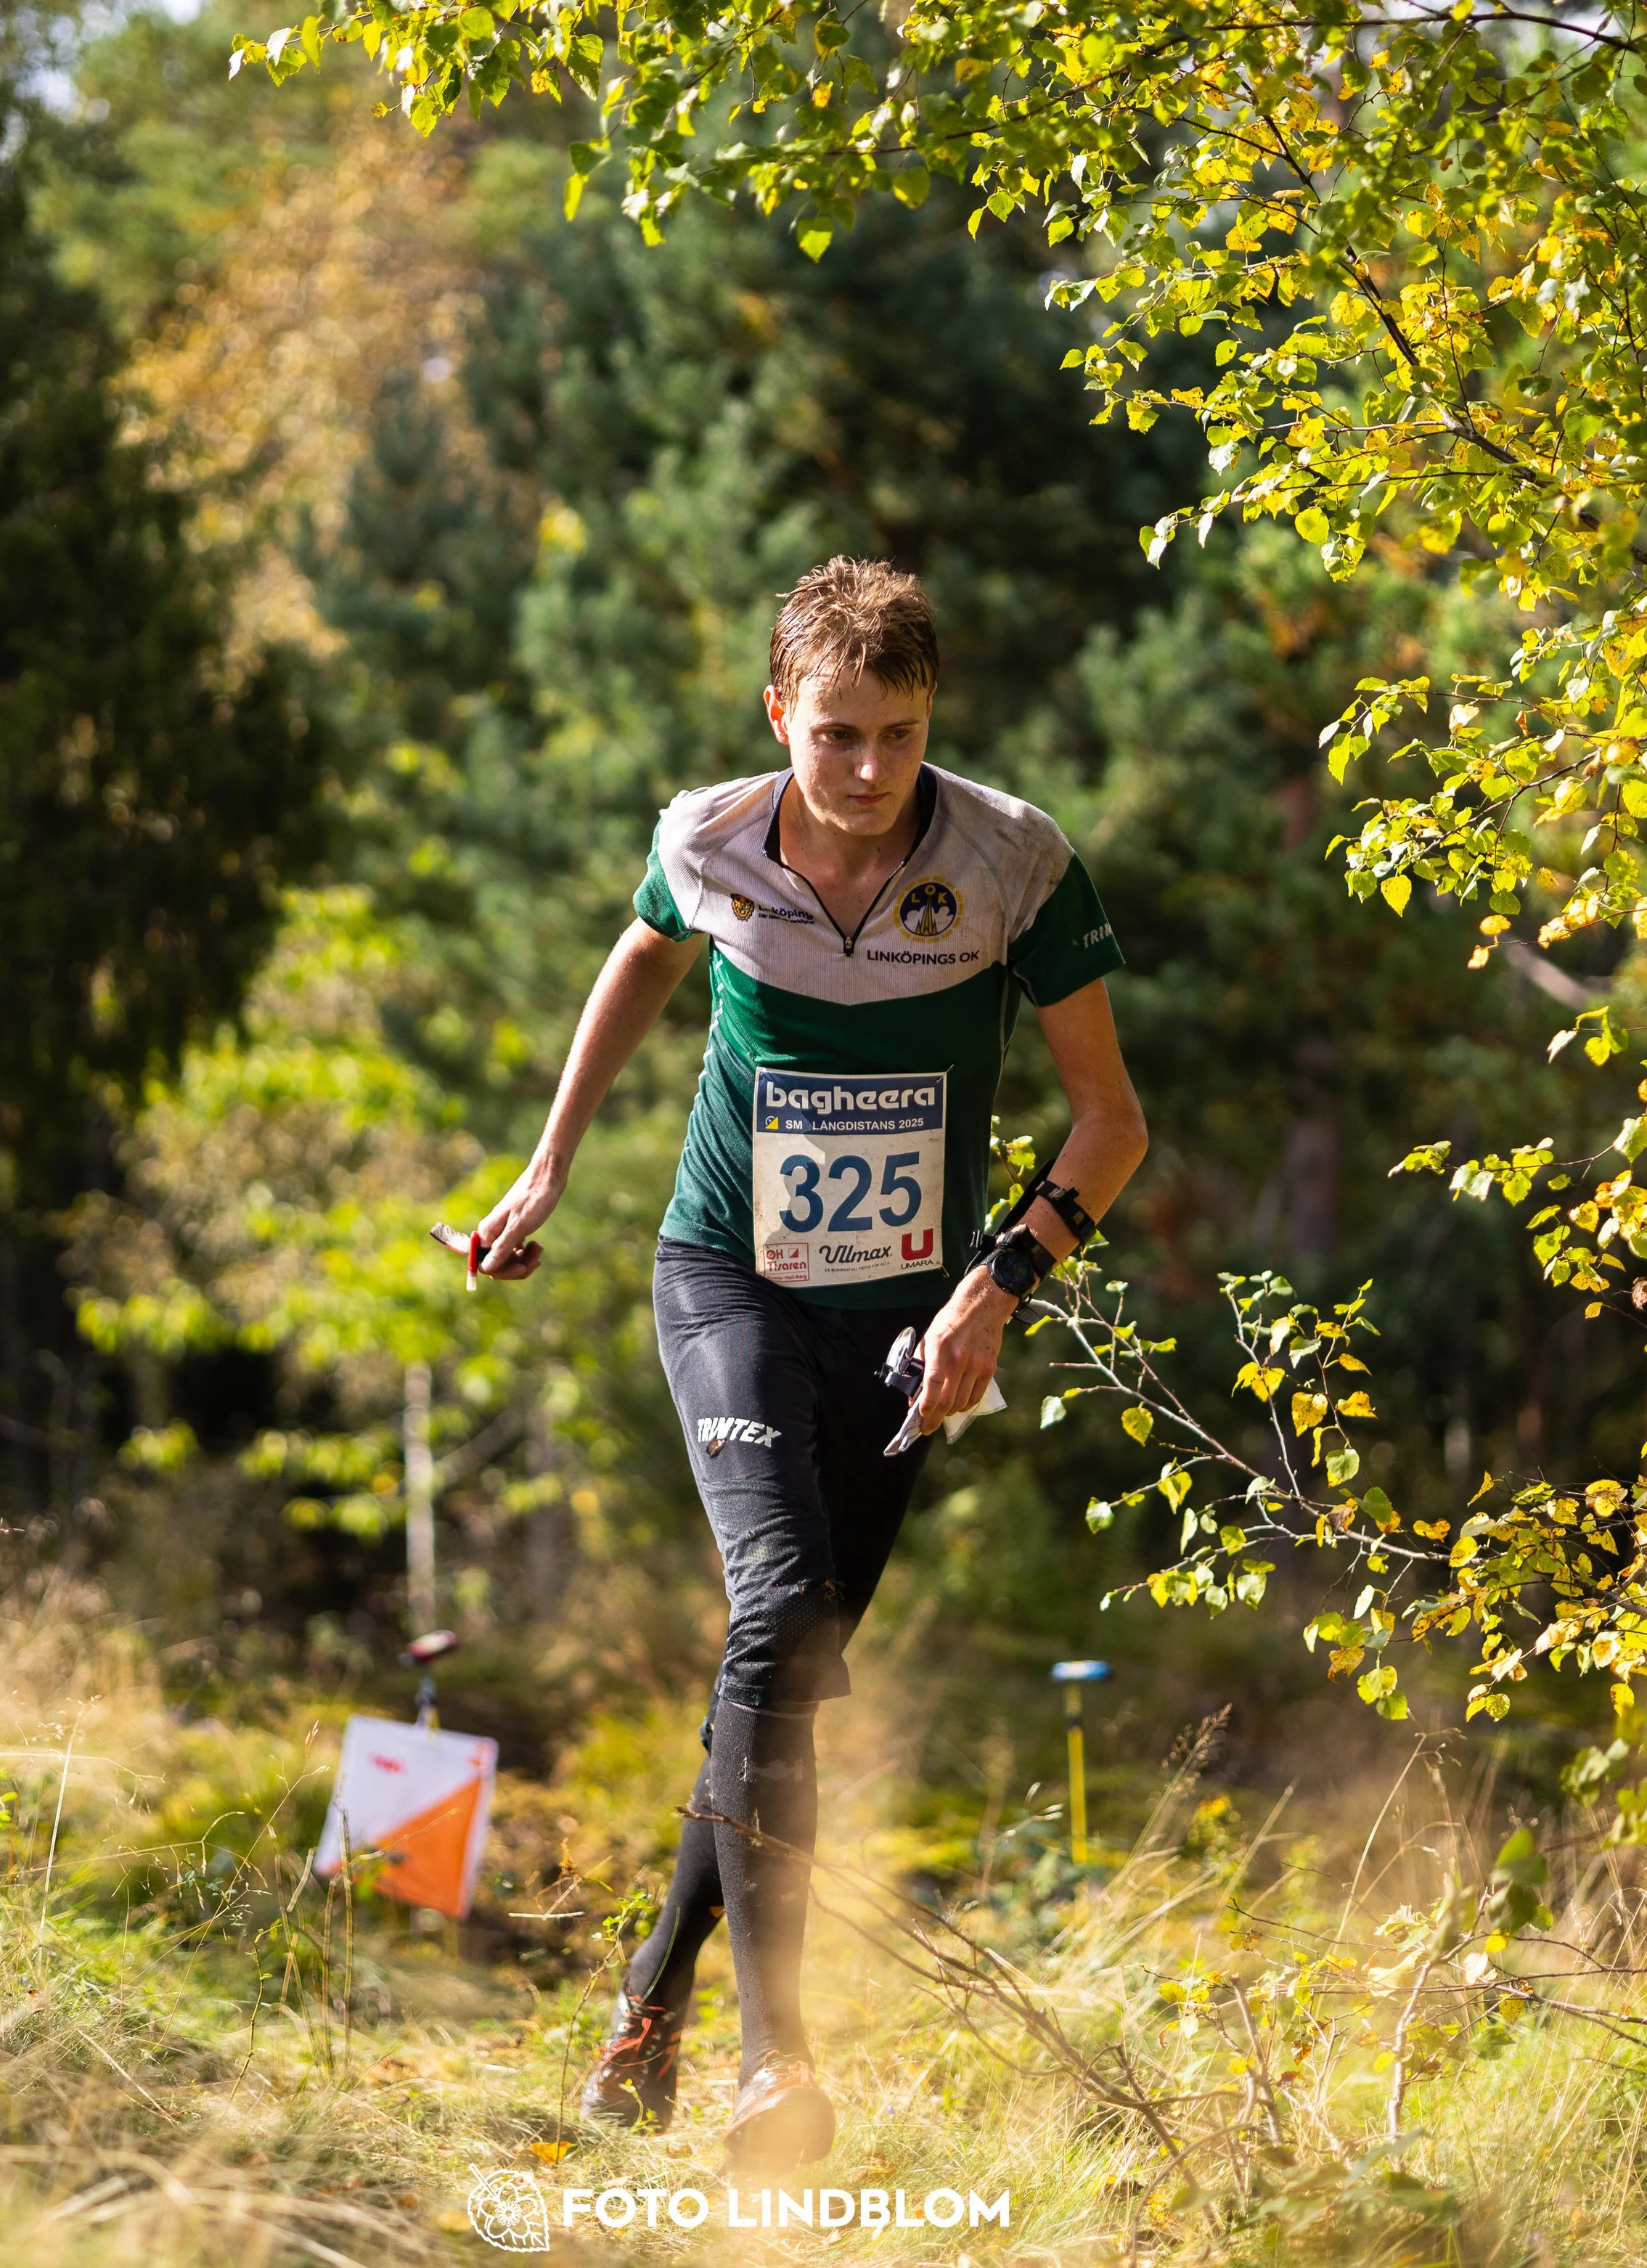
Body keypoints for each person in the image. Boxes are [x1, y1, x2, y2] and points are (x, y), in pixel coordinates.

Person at [469, 557, 1148, 2171]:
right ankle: (780, 2063)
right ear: (777, 713)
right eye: (833, 732)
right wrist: (549, 1166)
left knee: (782, 1664)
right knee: (775, 1612)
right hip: (726, 1280)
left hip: (913, 1323)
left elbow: (1110, 1124)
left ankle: (648, 1995)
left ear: (931, 727)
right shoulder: (705, 836)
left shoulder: (1012, 861)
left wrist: (994, 1288)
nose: (861, 772)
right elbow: (645, 954)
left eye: (896, 736)